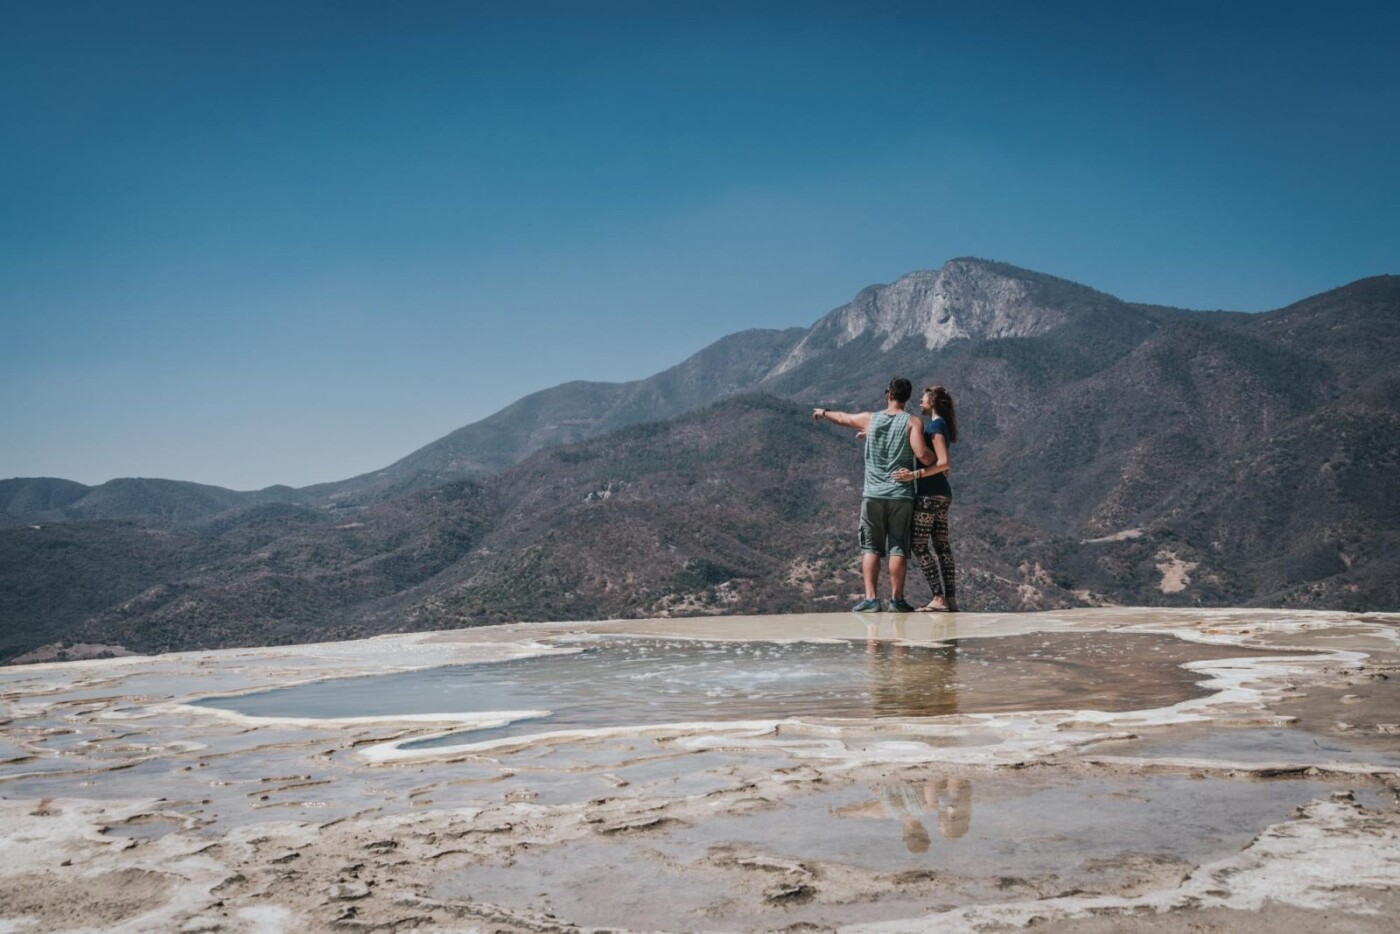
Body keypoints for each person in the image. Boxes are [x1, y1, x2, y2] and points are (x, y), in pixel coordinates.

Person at [813, 377, 933, 612]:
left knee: (870, 547)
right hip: (901, 494)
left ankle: (871, 599)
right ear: (907, 398)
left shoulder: (871, 419)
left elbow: (844, 418)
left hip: (873, 494)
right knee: (898, 546)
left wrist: (823, 412)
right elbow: (923, 455)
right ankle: (897, 600)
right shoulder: (912, 422)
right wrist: (936, 458)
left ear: (888, 394)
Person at [892, 385, 958, 611]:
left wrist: (914, 475)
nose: (920, 403)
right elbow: (944, 467)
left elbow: (943, 463)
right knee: (942, 547)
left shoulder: (936, 426)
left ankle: (938, 598)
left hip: (929, 494)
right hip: (942, 493)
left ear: (933, 403)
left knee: (919, 546)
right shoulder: (942, 426)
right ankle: (950, 599)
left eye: (923, 400)